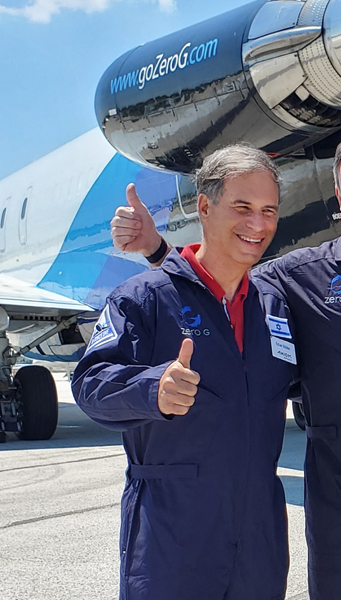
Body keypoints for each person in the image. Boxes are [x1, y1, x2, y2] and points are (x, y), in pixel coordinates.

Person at [110, 132, 341, 599]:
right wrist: (157, 250)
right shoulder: (295, 277)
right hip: (340, 503)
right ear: (339, 200)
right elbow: (216, 278)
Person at [73, 145, 296, 600]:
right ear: (204, 207)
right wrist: (151, 389)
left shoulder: (274, 306)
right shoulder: (144, 298)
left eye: (268, 210)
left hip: (258, 539)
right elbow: (89, 381)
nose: (258, 224)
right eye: (242, 207)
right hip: (171, 537)